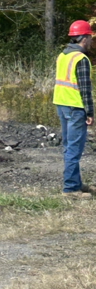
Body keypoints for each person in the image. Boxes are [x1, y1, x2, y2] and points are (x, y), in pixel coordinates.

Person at [53, 20, 94, 197]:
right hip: (75, 107)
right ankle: (70, 188)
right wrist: (90, 112)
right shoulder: (81, 59)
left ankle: (75, 183)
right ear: (84, 38)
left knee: (69, 146)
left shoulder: (63, 56)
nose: (92, 41)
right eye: (90, 37)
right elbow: (85, 89)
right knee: (74, 149)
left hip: (61, 105)